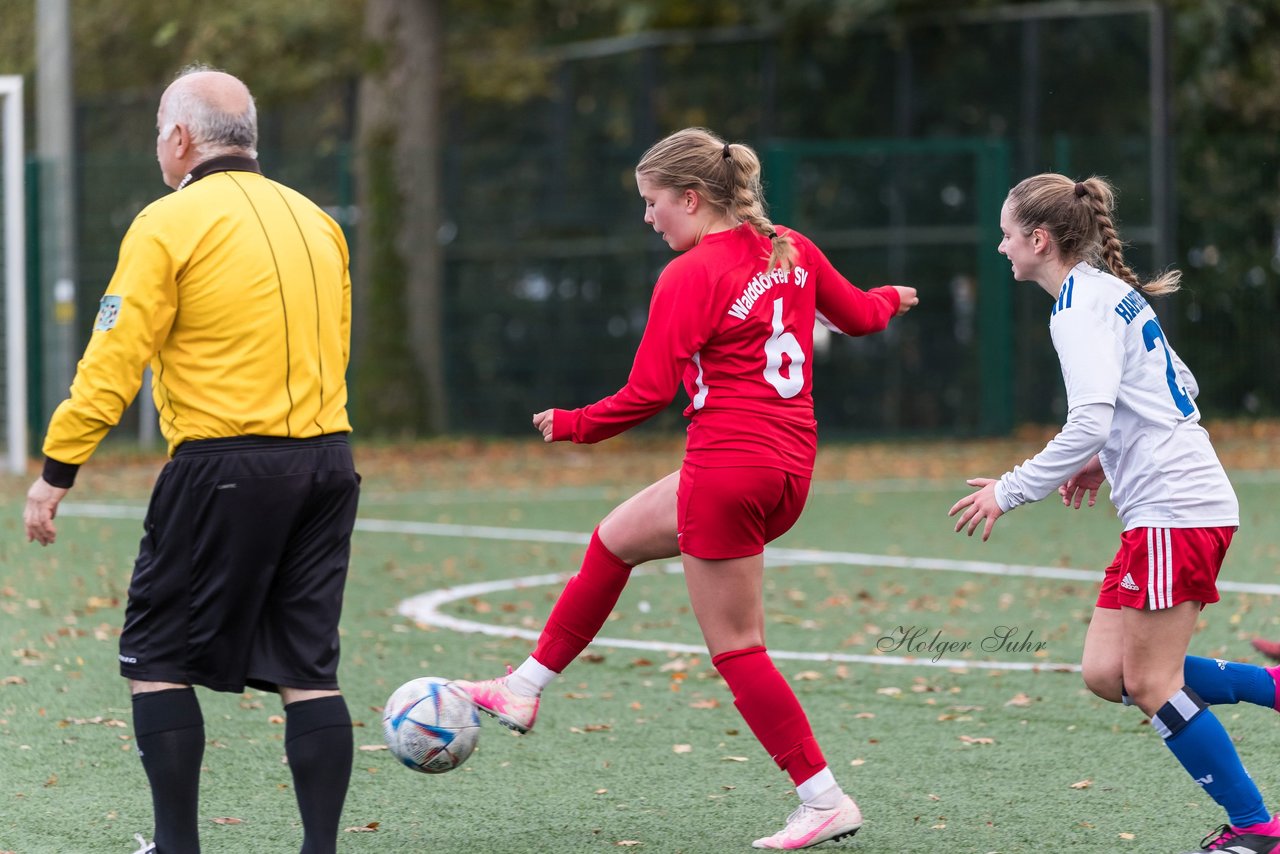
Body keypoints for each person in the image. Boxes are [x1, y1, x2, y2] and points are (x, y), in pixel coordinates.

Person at [453, 127, 917, 850]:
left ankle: (822, 797)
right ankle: (523, 687)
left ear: (691, 198)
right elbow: (857, 317)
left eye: (652, 202)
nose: (647, 217)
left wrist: (574, 424)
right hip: (786, 471)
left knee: (738, 649)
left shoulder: (691, 274)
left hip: (727, 470)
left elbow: (646, 393)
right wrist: (892, 294)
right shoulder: (790, 246)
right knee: (612, 542)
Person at [22, 66, 359, 854]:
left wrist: (57, 468)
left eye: (157, 135)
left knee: (156, 653)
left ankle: (175, 848)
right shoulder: (317, 219)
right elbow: (336, 344)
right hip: (329, 463)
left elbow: (113, 360)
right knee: (309, 665)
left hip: (224, 466)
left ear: (180, 138)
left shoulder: (168, 221)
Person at [948, 173, 1280, 854]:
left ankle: (1258, 830)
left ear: (1038, 240)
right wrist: (1105, 457)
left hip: (1175, 512)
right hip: (1167, 513)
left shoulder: (1078, 307)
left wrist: (1011, 489)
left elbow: (1091, 418)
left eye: (1007, 234)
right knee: (1108, 673)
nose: (1001, 245)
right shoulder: (1104, 292)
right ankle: (1272, 685)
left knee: (1152, 683)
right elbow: (1177, 385)